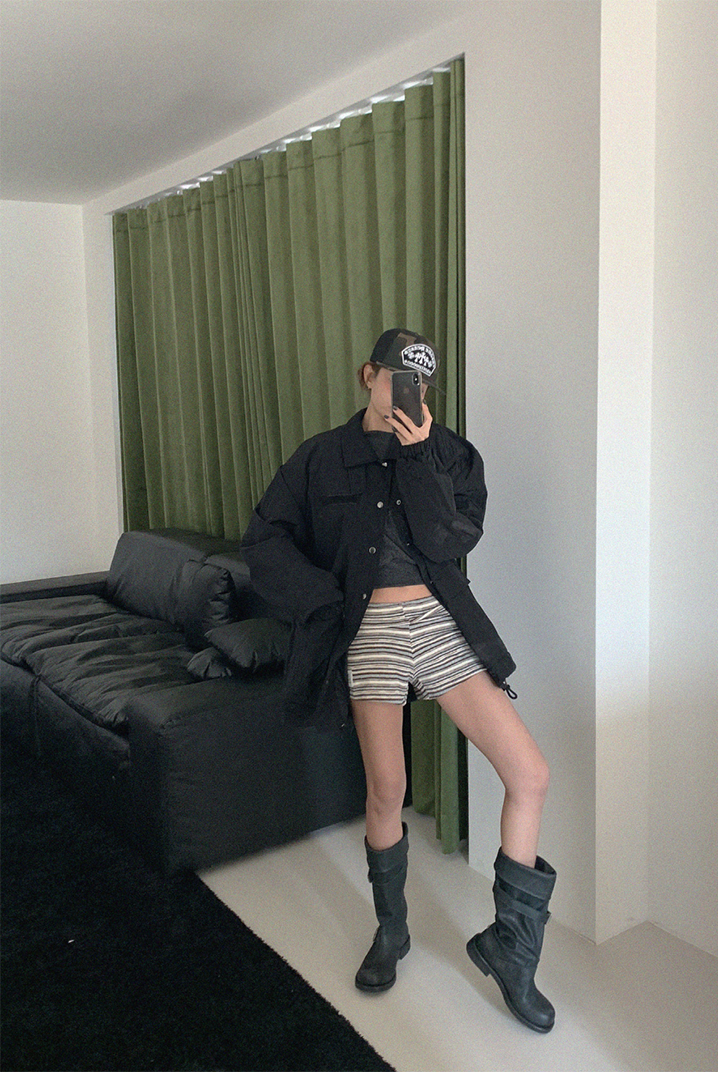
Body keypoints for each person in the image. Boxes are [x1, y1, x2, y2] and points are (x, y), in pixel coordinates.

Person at [240, 328, 556, 1033]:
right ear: (369, 375)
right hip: (369, 631)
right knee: (387, 789)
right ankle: (392, 931)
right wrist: (322, 599)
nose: (409, 394)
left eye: (421, 384)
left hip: (439, 623)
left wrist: (418, 458)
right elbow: (264, 540)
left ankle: (511, 951)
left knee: (529, 775)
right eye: (398, 379)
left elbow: (449, 542)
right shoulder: (320, 457)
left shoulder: (451, 455)